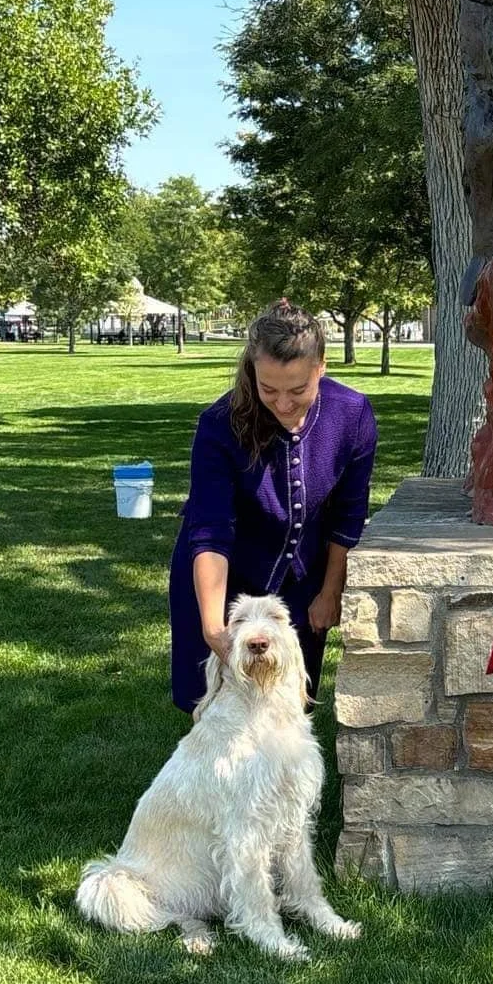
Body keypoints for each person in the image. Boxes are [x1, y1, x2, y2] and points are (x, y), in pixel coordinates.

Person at [169, 299, 378, 715]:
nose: (283, 404)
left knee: (287, 710)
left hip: (301, 585)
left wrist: (330, 591)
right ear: (252, 371)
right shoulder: (218, 424)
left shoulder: (352, 415)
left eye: (298, 390)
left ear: (321, 366)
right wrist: (214, 627)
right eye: (269, 390)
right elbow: (210, 531)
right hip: (221, 584)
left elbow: (348, 516)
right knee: (219, 714)